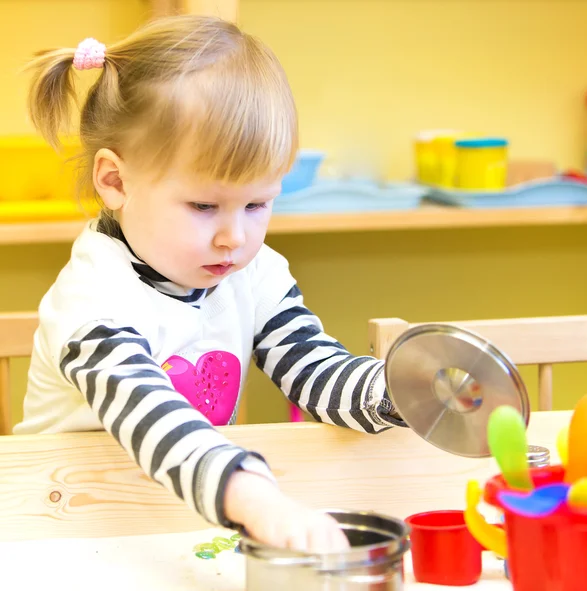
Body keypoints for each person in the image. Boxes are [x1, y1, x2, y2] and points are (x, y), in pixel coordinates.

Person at [14, 15, 404, 553]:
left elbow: (316, 373)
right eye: (204, 206)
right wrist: (258, 499)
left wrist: (405, 391)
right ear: (115, 181)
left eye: (257, 204)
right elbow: (152, 418)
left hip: (172, 519)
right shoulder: (92, 300)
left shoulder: (255, 271)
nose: (234, 237)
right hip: (55, 525)